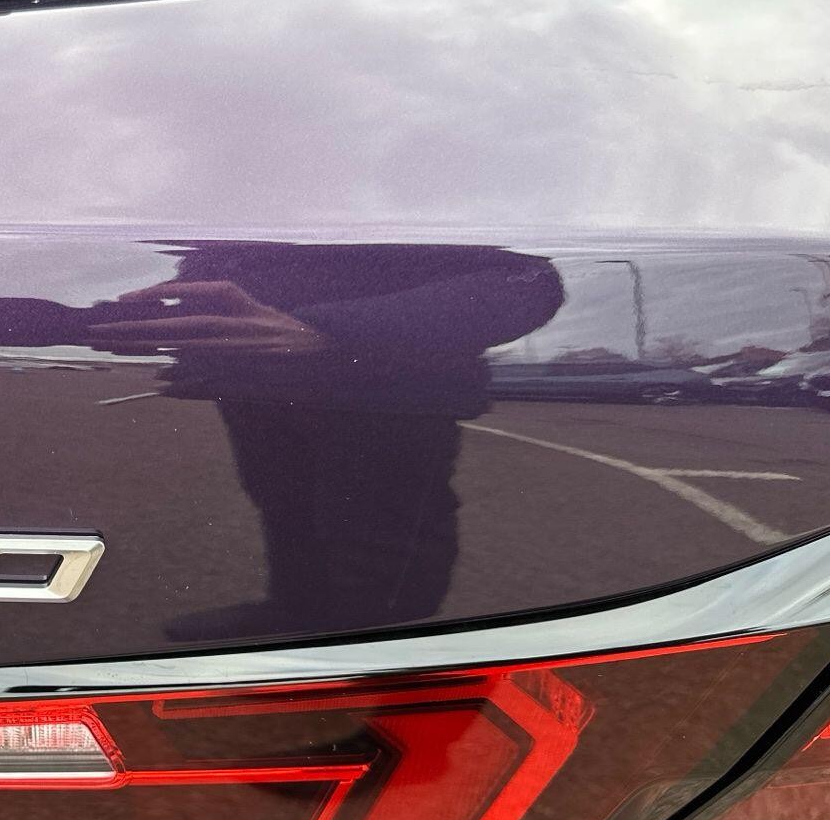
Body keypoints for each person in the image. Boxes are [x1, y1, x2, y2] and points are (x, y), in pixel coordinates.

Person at [85, 242, 565, 640]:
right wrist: (200, 360)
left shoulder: (424, 187)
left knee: (377, 534)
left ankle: (381, 667)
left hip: (384, 394)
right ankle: (294, 611)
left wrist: (327, 330)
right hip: (254, 383)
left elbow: (527, 282)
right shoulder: (235, 193)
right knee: (282, 505)